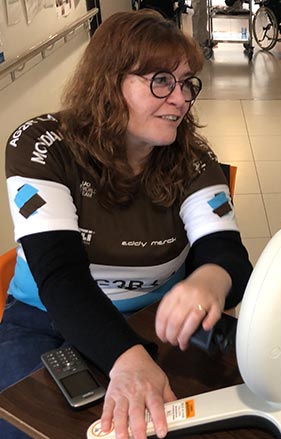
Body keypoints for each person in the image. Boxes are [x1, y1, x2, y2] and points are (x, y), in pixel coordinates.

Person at [1, 10, 252, 439]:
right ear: (108, 82)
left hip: (156, 317)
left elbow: (229, 254)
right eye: (160, 81)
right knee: (26, 424)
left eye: (187, 83)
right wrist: (128, 358)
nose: (180, 99)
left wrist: (211, 278)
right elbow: (60, 276)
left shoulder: (193, 156)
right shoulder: (42, 145)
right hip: (46, 316)